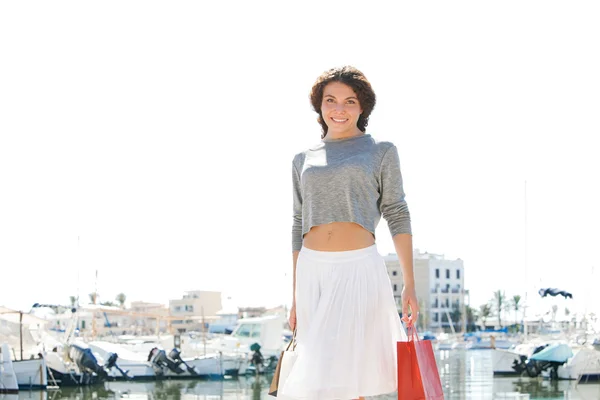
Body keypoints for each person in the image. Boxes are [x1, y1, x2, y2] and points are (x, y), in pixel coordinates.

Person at [279, 66, 419, 400]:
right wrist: (296, 294)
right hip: (313, 271)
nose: (339, 109)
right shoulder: (302, 159)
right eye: (330, 100)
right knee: (321, 380)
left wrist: (410, 283)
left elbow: (396, 212)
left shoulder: (380, 151)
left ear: (362, 107)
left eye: (349, 101)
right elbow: (299, 223)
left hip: (358, 268)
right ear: (320, 106)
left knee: (354, 377)